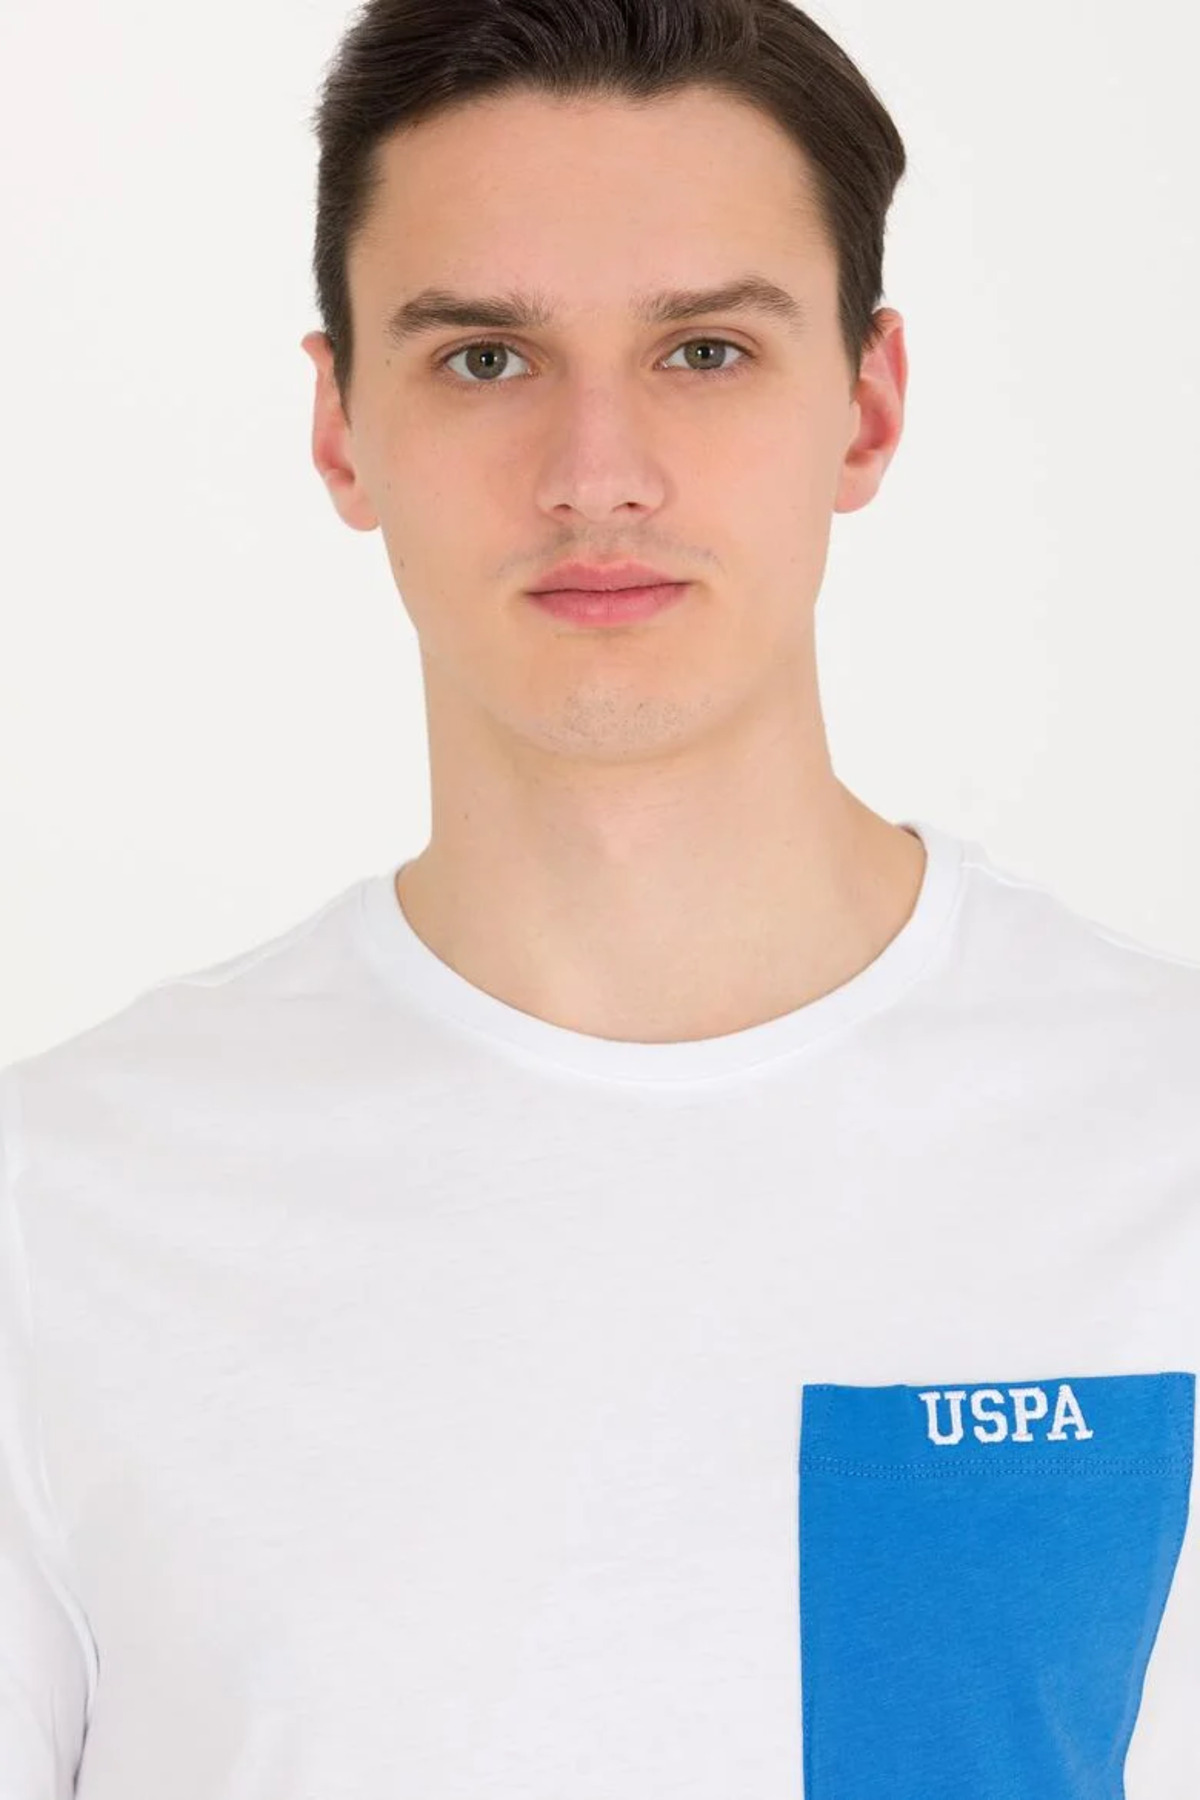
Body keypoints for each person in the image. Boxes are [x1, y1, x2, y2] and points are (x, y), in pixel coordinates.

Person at [3, 2, 1198, 1795]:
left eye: (706, 351)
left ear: (867, 408)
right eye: (485, 358)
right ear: (341, 428)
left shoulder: (1166, 1142)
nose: (596, 474)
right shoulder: (60, 1217)